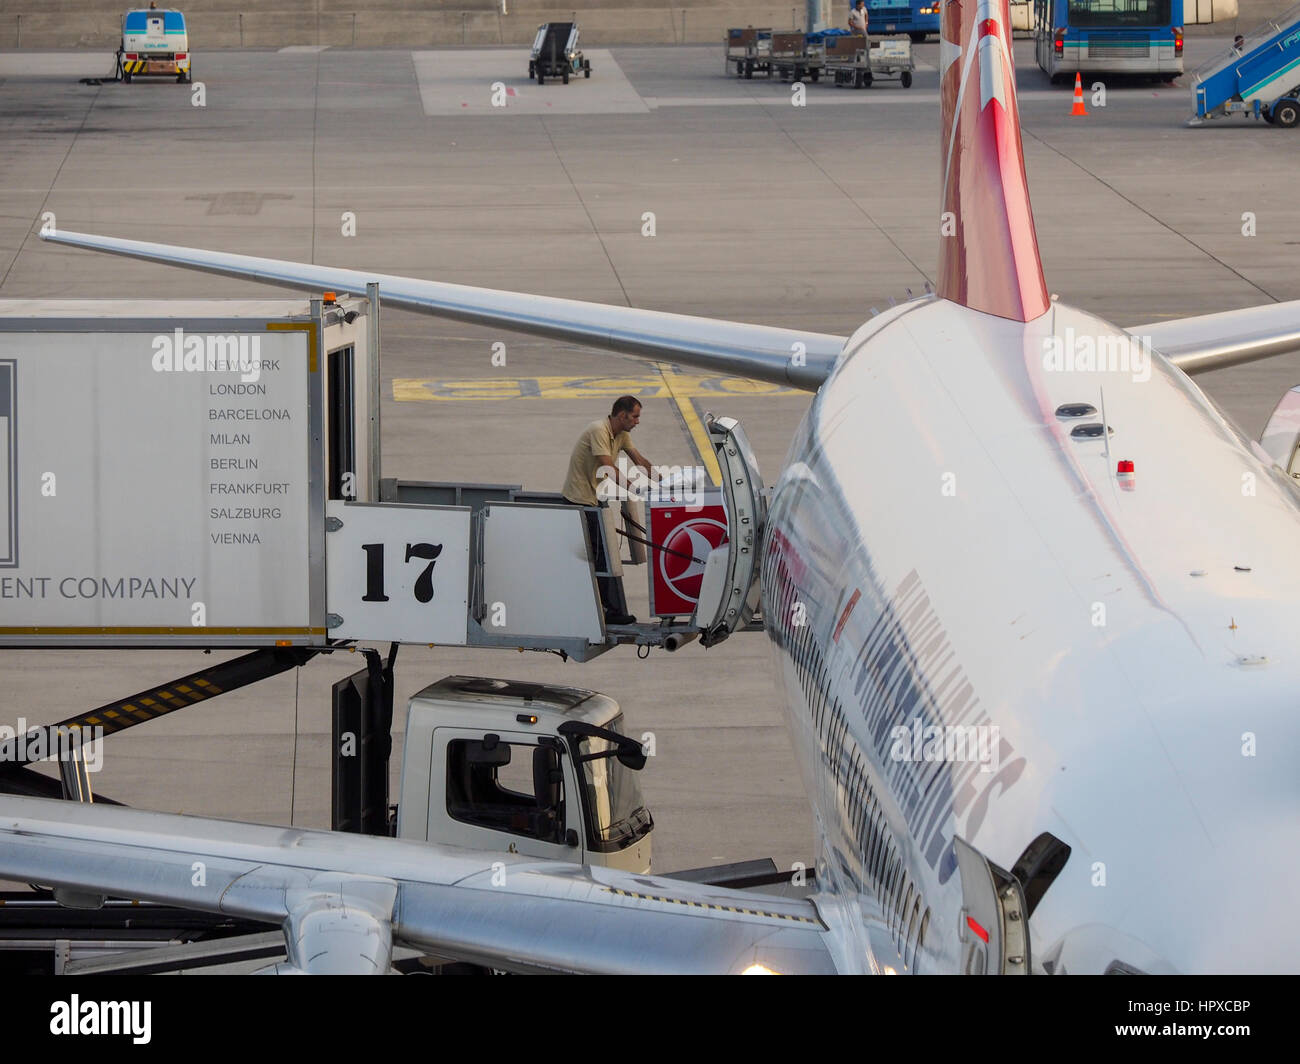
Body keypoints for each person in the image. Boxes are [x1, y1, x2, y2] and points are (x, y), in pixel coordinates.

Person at [562, 396, 653, 626]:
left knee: (602, 554)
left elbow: (639, 460)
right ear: (622, 415)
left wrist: (663, 483)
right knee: (601, 556)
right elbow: (609, 468)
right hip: (579, 501)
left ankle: (607, 608)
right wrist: (635, 490)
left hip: (592, 500)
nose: (638, 421)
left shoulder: (621, 434)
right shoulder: (599, 430)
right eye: (635, 416)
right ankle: (609, 611)